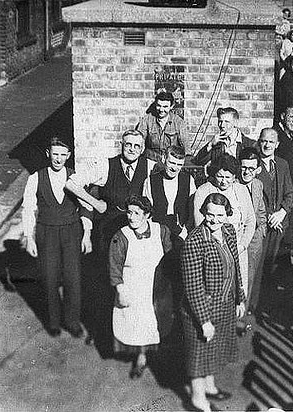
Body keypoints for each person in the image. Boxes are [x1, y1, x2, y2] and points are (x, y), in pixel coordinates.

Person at [180, 193, 245, 412]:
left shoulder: (229, 231)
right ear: (203, 213)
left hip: (225, 303)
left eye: (219, 215)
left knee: (215, 348)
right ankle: (198, 398)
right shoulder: (194, 241)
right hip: (201, 308)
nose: (214, 219)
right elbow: (193, 286)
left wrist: (240, 298)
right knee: (200, 353)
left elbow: (235, 267)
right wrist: (204, 320)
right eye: (209, 214)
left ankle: (209, 387)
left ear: (227, 215)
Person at [21, 137, 92, 337]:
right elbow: (28, 209)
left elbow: (86, 207)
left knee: (73, 278)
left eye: (63, 155)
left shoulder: (75, 177)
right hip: (47, 232)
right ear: (48, 154)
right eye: (55, 154)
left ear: (68, 156)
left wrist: (86, 234)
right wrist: (29, 237)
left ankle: (72, 321)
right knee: (49, 277)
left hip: (71, 231)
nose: (58, 159)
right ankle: (53, 322)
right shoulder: (36, 177)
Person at [109, 195, 172, 378]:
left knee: (157, 321)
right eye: (129, 212)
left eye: (137, 213)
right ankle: (141, 358)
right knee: (136, 324)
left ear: (147, 215)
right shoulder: (120, 237)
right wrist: (120, 289)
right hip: (133, 286)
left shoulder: (161, 231)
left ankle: (157, 355)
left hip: (156, 285)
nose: (131, 217)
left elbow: (169, 257)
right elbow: (114, 266)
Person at [66, 129, 157, 252]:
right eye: (128, 145)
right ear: (121, 145)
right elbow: (71, 183)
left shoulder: (151, 167)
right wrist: (96, 204)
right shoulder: (106, 165)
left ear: (142, 148)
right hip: (111, 231)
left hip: (138, 234)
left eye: (137, 146)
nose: (132, 149)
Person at [193, 154, 255, 298]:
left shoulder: (241, 190)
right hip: (212, 251)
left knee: (238, 292)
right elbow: (199, 224)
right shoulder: (203, 191)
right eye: (220, 176)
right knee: (215, 293)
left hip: (238, 250)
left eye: (228, 177)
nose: (224, 181)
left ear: (234, 176)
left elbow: (250, 221)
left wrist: (242, 245)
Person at [254, 128, 293, 287]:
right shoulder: (253, 164)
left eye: (271, 142)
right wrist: (271, 216)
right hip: (262, 226)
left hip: (279, 226)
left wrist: (281, 213)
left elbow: (291, 193)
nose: (267, 145)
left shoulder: (283, 164)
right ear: (259, 142)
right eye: (264, 141)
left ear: (277, 144)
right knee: (257, 269)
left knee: (273, 268)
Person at [143, 145, 196, 242]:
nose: (174, 168)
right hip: (158, 232)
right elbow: (146, 211)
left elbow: (193, 209)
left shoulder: (188, 180)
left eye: (179, 165)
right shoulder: (151, 181)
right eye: (171, 163)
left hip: (182, 232)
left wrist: (185, 231)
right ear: (164, 159)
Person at [237, 148, 267, 312]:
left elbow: (261, 210)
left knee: (251, 276)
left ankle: (245, 312)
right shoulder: (233, 185)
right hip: (238, 239)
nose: (246, 172)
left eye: (251, 168)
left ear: (258, 170)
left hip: (255, 238)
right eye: (243, 167)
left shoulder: (258, 184)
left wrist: (261, 230)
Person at [136, 92, 187, 162]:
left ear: (171, 106)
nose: (161, 110)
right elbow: (138, 142)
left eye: (165, 107)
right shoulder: (146, 120)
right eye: (159, 106)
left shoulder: (179, 123)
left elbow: (186, 148)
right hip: (151, 160)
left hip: (171, 162)